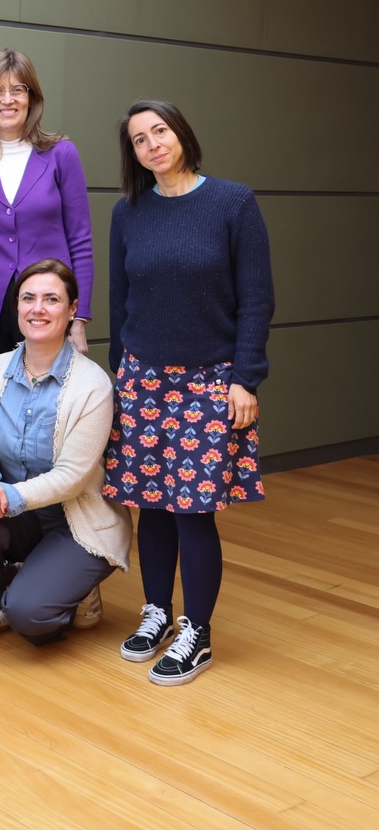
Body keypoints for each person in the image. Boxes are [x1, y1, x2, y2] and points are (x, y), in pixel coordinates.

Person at [106, 100, 273, 686]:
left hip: (210, 379)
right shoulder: (128, 213)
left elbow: (256, 298)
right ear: (132, 154)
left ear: (181, 134)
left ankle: (196, 632)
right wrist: (117, 385)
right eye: (139, 139)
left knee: (193, 509)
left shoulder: (233, 203)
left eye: (161, 130)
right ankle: (158, 613)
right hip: (142, 378)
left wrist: (246, 378)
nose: (153, 143)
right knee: (151, 505)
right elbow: (119, 304)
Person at [0, 260, 131, 650]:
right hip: (20, 517)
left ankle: (71, 588)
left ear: (71, 309)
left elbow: (73, 477)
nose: (38, 309)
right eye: (28, 298)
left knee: (30, 614)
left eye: (51, 299)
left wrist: (0, 496)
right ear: (17, 307)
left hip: (77, 521)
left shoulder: (94, 385)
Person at [0, 49, 94, 381]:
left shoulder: (62, 154)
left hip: (46, 305)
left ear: (32, 98)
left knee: (45, 405)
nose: (7, 99)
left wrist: (80, 317)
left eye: (18, 89)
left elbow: (81, 240)